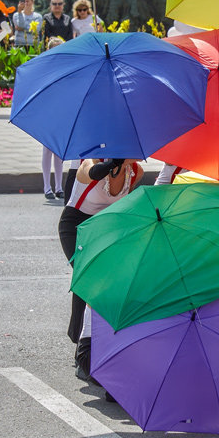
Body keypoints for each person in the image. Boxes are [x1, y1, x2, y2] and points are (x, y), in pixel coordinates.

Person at [58, 158, 144, 381]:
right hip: (76, 226)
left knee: (105, 284)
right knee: (89, 279)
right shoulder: (90, 163)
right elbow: (92, 173)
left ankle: (96, 345)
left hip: (105, 229)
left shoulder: (136, 171)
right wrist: (110, 164)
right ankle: (83, 353)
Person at [41, 37, 67, 200]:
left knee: (59, 151)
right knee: (47, 150)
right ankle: (46, 186)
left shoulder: (65, 68)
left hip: (61, 111)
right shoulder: (46, 68)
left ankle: (59, 186)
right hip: (47, 112)